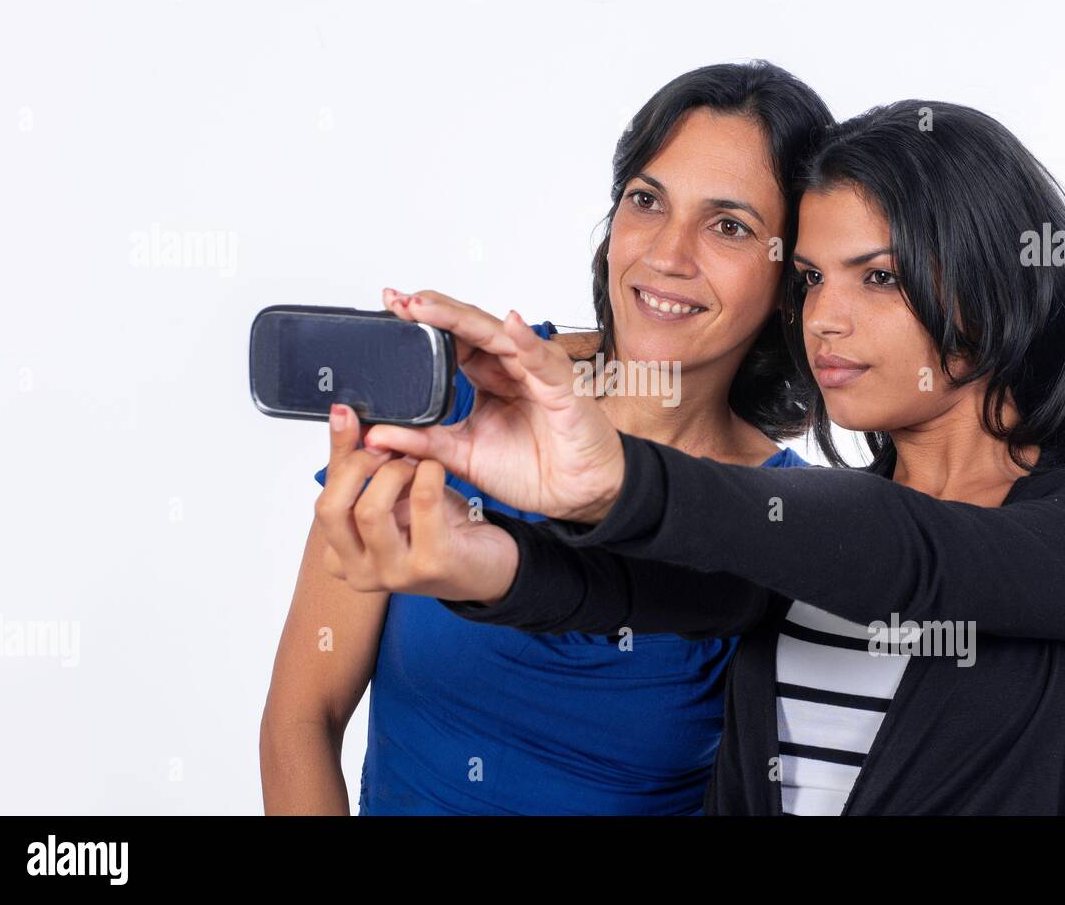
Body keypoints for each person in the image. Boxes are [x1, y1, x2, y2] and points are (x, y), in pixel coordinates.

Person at [319, 101, 1065, 815]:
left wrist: (617, 476)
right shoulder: (802, 542)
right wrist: (485, 558)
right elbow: (637, 590)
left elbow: (918, 558)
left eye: (877, 276)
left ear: (992, 287)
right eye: (812, 280)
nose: (824, 318)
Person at [260, 61, 833, 814]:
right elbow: (301, 719)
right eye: (646, 201)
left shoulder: (780, 522)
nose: (668, 253)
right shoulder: (467, 391)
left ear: (791, 273)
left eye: (729, 226)